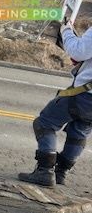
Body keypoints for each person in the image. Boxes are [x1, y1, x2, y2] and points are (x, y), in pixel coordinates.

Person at [19, 18, 92, 187]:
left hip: (84, 95)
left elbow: (78, 51)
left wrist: (66, 30)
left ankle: (45, 171)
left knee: (45, 123)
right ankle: (61, 173)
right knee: (79, 131)